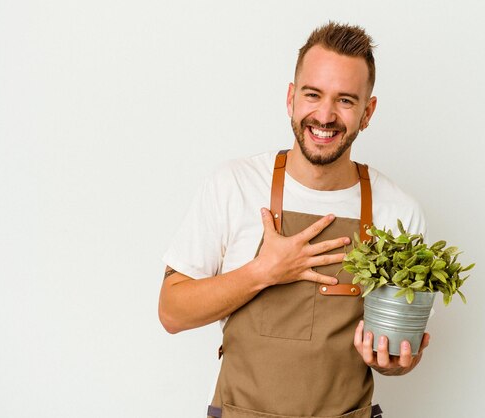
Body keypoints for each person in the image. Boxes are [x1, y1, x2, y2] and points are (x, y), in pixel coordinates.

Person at [159, 22, 429, 418]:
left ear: (367, 113)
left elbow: (400, 338)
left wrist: (395, 361)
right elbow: (171, 312)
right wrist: (262, 271)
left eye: (346, 101)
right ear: (291, 98)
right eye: (313, 94)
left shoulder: (399, 211)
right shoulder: (235, 185)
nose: (325, 115)